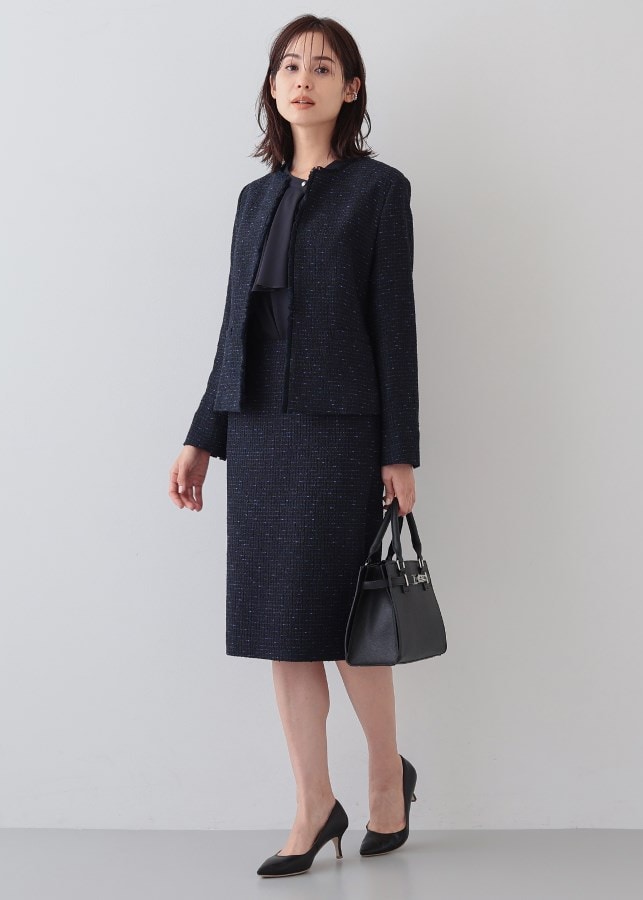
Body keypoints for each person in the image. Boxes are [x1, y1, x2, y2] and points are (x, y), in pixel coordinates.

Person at [168, 14, 421, 877]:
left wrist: (400, 449)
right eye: (288, 66)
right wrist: (203, 436)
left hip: (340, 432)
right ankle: (314, 803)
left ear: (351, 88)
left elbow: (394, 324)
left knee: (348, 626)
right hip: (261, 434)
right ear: (272, 86)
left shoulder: (378, 191)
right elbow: (233, 329)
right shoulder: (255, 199)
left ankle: (386, 779)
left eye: (321, 67)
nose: (302, 79)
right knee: (284, 628)